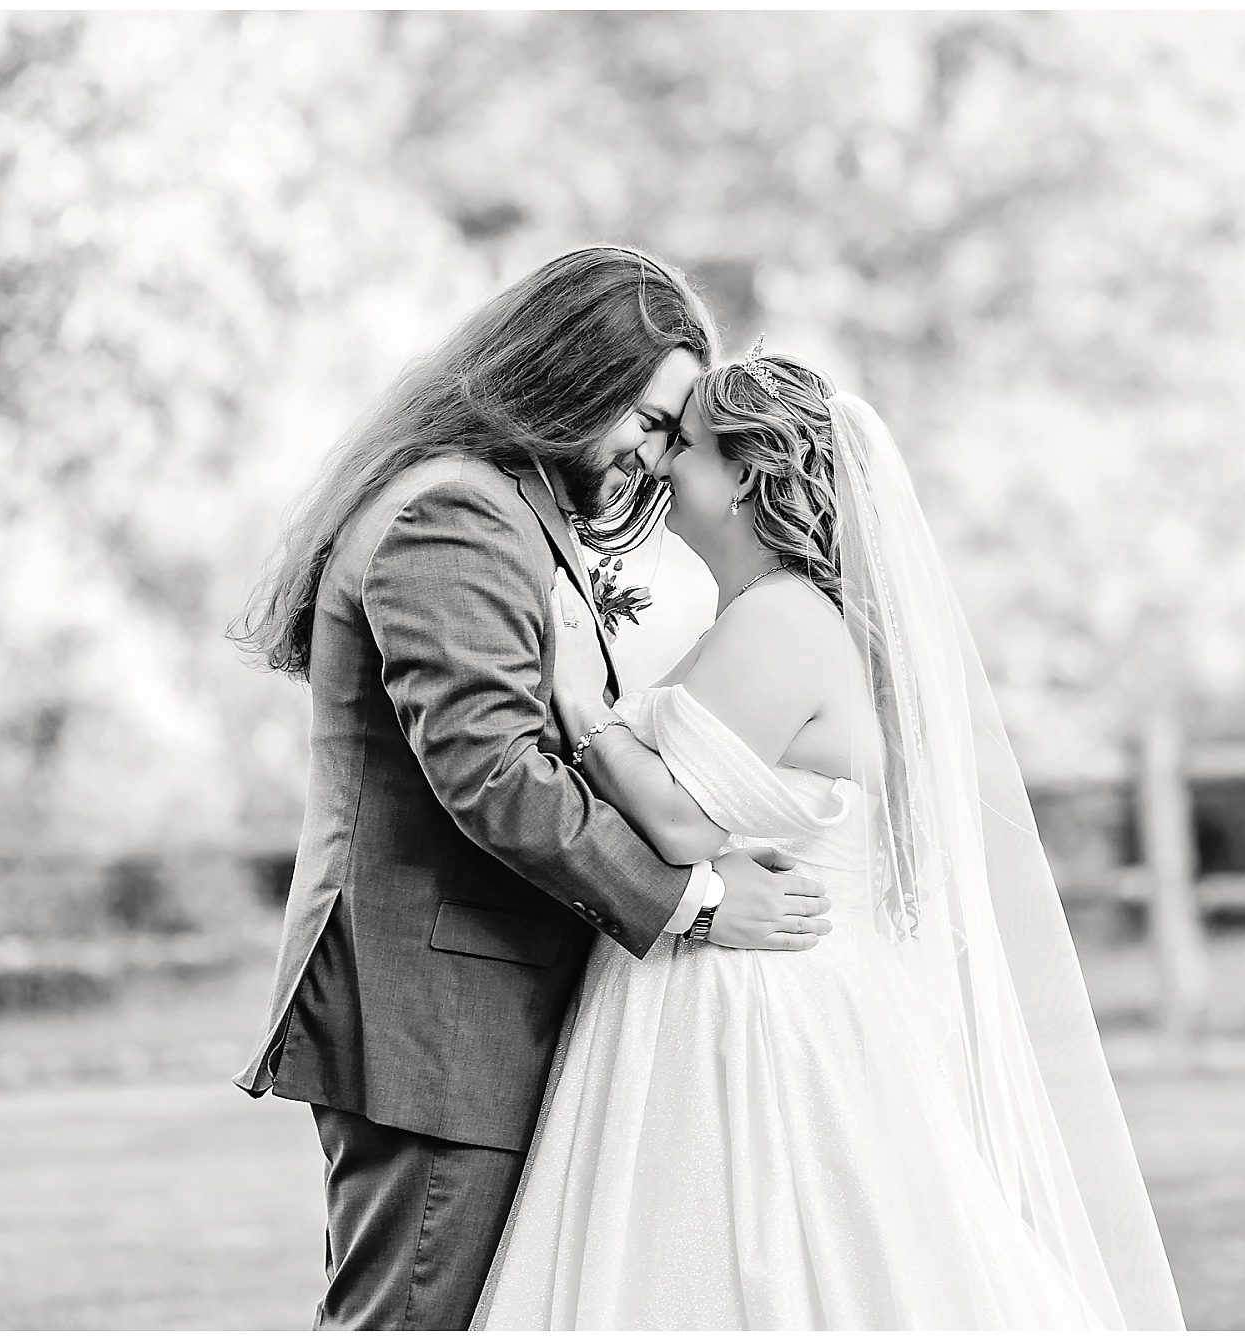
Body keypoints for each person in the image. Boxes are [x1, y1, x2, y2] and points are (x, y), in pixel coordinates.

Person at [472, 343, 1186, 1329]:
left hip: (755, 1015)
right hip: (744, 984)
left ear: (747, 475)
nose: (660, 466)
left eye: (685, 445)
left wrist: (580, 704)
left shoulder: (779, 621)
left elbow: (679, 820)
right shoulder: (778, 616)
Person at [229, 249, 835, 1331]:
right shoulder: (450, 518)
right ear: (572, 373)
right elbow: (496, 777)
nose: (653, 460)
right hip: (435, 1025)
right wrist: (698, 903)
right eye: (649, 422)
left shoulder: (491, 505)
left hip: (462, 1012)